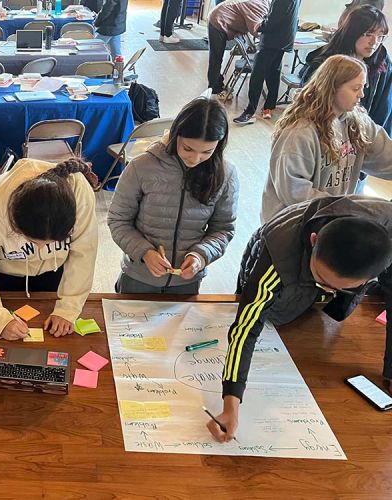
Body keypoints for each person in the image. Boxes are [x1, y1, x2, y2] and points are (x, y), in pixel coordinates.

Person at [206, 195, 392, 442]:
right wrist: (231, 403)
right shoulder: (278, 255)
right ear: (314, 242)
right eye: (321, 279)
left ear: (371, 278)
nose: (325, 289)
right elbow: (245, 326)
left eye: (340, 287)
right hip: (280, 254)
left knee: (319, 318)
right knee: (276, 316)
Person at [0, 157, 98, 340]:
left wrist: (68, 309)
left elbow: (84, 254)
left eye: (52, 242)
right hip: (6, 276)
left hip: (55, 271)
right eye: (33, 241)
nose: (42, 249)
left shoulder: (80, 193)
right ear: (14, 222)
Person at [108, 98, 238, 294]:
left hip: (188, 281)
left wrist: (201, 256)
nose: (195, 159)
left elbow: (224, 229)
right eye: (188, 148)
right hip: (138, 276)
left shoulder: (225, 174)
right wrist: (145, 252)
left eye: (207, 152)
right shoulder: (141, 166)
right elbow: (118, 220)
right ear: (176, 135)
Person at [262, 55, 392, 222]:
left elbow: (385, 154)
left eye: (363, 87)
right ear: (332, 88)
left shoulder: (357, 122)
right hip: (291, 226)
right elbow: (294, 192)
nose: (361, 95)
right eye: (355, 88)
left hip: (329, 217)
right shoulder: (299, 132)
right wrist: (346, 207)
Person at [299, 6, 392, 134]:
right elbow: (311, 108)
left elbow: (384, 109)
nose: (374, 42)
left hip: (365, 136)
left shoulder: (383, 63)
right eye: (368, 34)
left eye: (380, 36)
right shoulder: (327, 64)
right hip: (328, 135)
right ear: (352, 33)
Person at [233, 0, 300, 125]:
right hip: (285, 37)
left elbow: (275, 17)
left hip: (273, 39)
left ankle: (250, 111)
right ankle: (269, 106)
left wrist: (260, 26)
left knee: (257, 74)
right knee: (273, 71)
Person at [207, 0, 270, 98]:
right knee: (216, 58)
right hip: (218, 20)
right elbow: (255, 30)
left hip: (222, 15)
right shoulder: (259, 5)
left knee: (217, 58)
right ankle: (215, 89)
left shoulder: (263, 3)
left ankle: (218, 82)